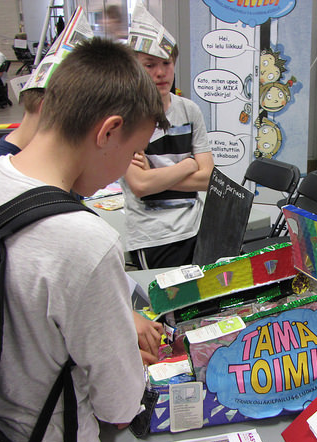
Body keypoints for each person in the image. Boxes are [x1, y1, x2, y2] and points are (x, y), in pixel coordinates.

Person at [0, 37, 169, 442]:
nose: (124, 171)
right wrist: (127, 360)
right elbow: (118, 403)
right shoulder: (83, 240)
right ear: (108, 131)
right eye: (131, 152)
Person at [122, 6, 213, 269]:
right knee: (165, 308)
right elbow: (140, 185)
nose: (161, 73)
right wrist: (188, 165)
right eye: (150, 65)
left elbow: (208, 179)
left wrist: (157, 177)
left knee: (199, 307)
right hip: (152, 236)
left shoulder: (189, 110)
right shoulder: (126, 116)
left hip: (196, 228)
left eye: (166, 63)